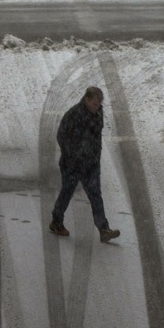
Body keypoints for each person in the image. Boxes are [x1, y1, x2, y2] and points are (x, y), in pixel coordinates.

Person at [49, 86, 121, 243]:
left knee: (95, 194)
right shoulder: (74, 114)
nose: (97, 107)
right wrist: (72, 155)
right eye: (95, 104)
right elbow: (61, 135)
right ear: (86, 99)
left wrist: (94, 157)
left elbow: (95, 137)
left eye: (99, 104)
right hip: (72, 164)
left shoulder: (98, 112)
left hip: (91, 163)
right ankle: (56, 221)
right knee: (67, 192)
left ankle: (103, 229)